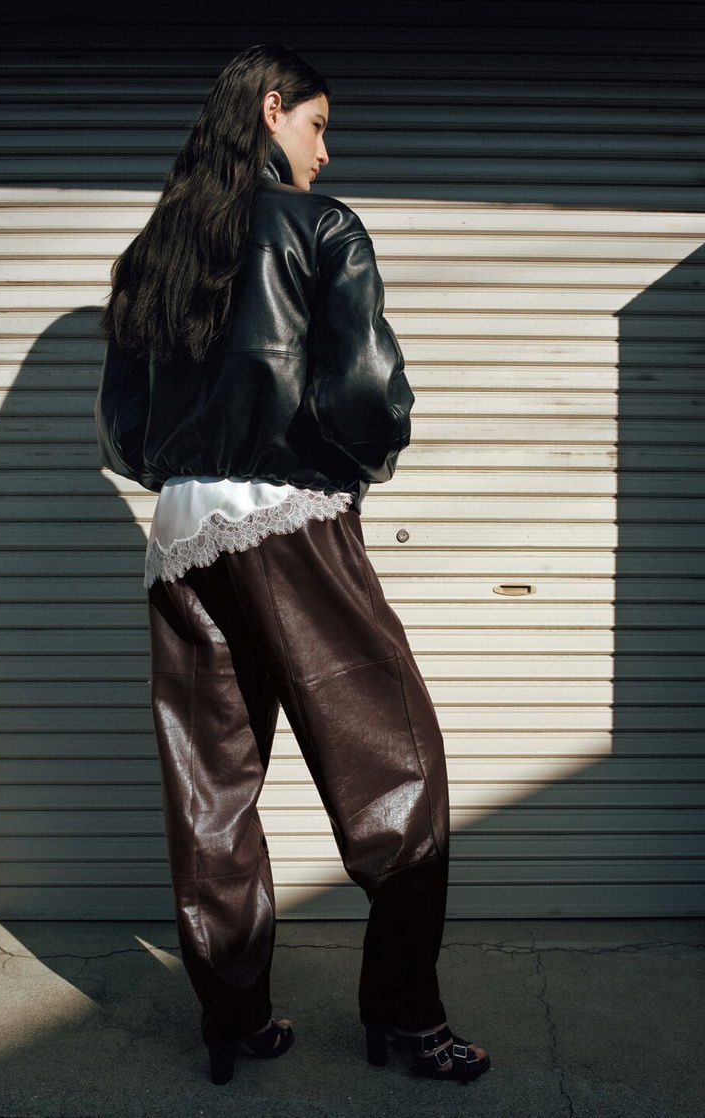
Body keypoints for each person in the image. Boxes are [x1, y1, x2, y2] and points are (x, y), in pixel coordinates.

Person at [95, 43, 490, 1088]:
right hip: (289, 518)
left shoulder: (153, 251)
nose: (325, 150)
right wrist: (349, 469)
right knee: (400, 772)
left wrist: (196, 467)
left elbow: (124, 434)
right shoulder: (319, 228)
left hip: (179, 537)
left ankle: (234, 1021)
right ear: (272, 110)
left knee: (212, 788)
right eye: (318, 124)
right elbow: (367, 395)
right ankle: (404, 1019)